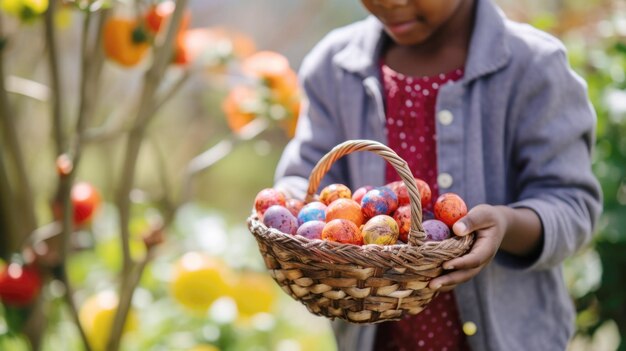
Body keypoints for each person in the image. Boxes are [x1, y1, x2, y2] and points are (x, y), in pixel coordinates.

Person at [273, 0, 602, 350]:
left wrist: (505, 225)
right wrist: (282, 207)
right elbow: (304, 181)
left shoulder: (534, 65)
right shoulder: (334, 67)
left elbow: (572, 205)